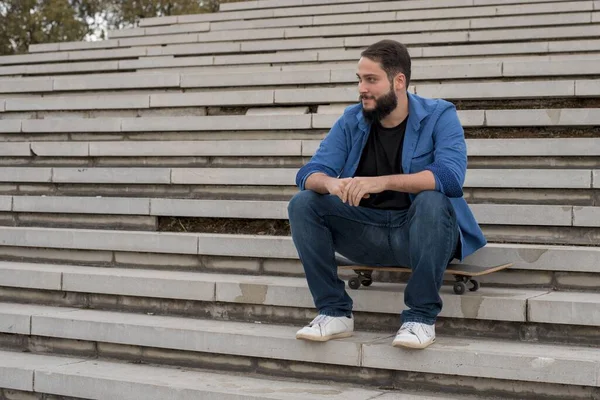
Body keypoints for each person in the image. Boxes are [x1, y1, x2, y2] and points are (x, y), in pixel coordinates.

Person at [287, 39, 486, 349]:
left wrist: (381, 182)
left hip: (424, 235)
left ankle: (420, 317)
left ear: (399, 81)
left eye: (371, 79)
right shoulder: (352, 119)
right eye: (359, 79)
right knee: (304, 203)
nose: (361, 89)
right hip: (368, 235)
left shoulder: (439, 115)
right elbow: (307, 173)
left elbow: (449, 177)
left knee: (432, 198)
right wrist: (332, 184)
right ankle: (334, 312)